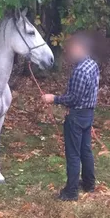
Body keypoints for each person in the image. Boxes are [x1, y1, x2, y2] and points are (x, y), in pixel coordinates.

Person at [41, 33, 100, 201]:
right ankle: (89, 184)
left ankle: (71, 192)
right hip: (88, 114)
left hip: (76, 117)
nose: (69, 52)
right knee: (85, 150)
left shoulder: (80, 71)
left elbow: (73, 98)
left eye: (72, 48)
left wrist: (53, 98)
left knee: (73, 154)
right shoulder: (92, 65)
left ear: (80, 49)